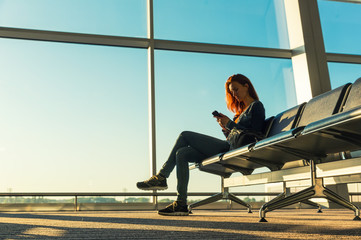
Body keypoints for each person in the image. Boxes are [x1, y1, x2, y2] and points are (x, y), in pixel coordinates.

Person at [136, 74, 265, 216]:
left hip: (233, 150)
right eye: (231, 92)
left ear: (246, 86)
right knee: (182, 153)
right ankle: (181, 203)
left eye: (235, 89)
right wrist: (226, 129)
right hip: (228, 147)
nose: (234, 94)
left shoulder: (256, 106)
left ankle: (161, 177)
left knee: (185, 135)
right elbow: (234, 137)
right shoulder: (240, 113)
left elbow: (255, 134)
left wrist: (229, 123)